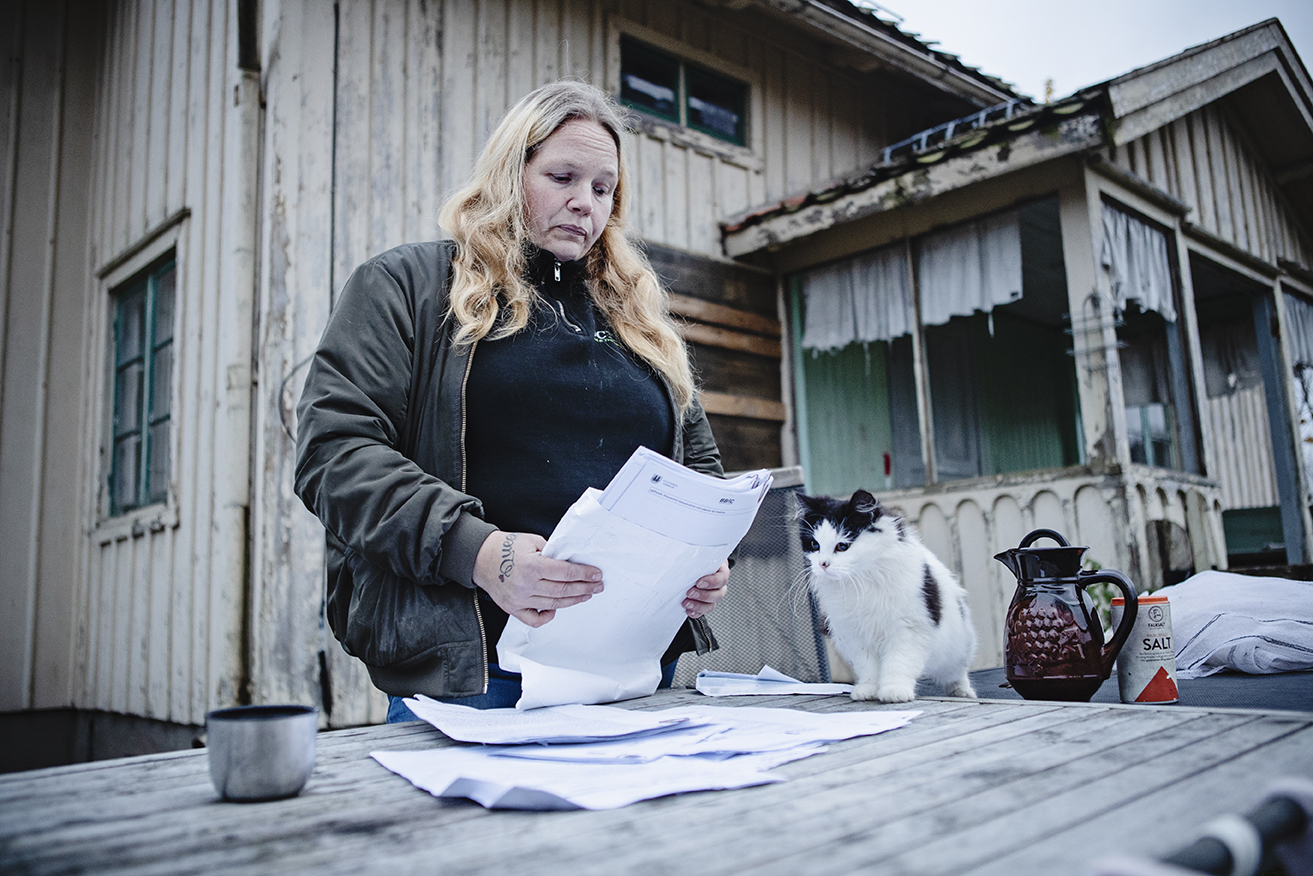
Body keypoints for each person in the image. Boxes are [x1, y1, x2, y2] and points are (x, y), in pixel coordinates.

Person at [294, 80, 730, 720]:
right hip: (483, 683)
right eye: (562, 177)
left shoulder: (639, 319)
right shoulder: (410, 288)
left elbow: (702, 472)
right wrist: (478, 551)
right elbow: (335, 453)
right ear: (509, 173)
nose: (584, 203)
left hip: (637, 675)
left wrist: (705, 558)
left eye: (603, 189)